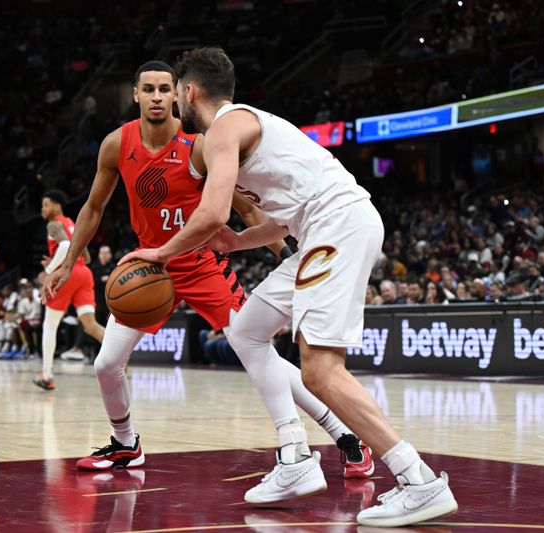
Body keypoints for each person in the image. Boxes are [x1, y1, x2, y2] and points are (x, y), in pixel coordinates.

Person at [120, 48, 456, 526]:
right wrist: (237, 242)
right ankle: (295, 458)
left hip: (336, 226)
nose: (174, 107)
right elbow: (283, 217)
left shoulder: (223, 130)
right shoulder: (244, 128)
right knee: (246, 331)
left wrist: (159, 252)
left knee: (319, 370)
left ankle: (417, 480)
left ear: (189, 92)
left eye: (175, 95)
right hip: (320, 228)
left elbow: (212, 212)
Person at [45, 60, 372, 491]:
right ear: (136, 95)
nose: (159, 96)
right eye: (150, 89)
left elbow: (244, 206)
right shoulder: (115, 144)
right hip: (150, 269)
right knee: (106, 363)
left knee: (257, 351)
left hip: (202, 265)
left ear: (178, 94)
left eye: (166, 88)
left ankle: (344, 435)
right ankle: (126, 444)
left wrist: (282, 251)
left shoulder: (202, 143)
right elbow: (92, 208)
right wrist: (68, 261)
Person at [33, 189, 105, 390]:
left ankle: (47, 375)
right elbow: (88, 257)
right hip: (84, 273)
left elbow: (65, 247)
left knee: (50, 324)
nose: (43, 209)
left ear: (57, 205)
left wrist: (49, 271)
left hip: (68, 274)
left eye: (46, 204)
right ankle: (120, 357)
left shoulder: (54, 224)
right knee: (90, 325)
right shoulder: (73, 224)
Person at [91, 245, 116, 325]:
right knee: (95, 322)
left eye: (106, 253)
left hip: (109, 302)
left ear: (110, 255)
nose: (104, 255)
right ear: (99, 254)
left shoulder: (114, 267)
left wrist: (109, 279)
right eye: (102, 253)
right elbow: (91, 282)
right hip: (96, 300)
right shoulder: (94, 266)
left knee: (107, 323)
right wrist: (100, 279)